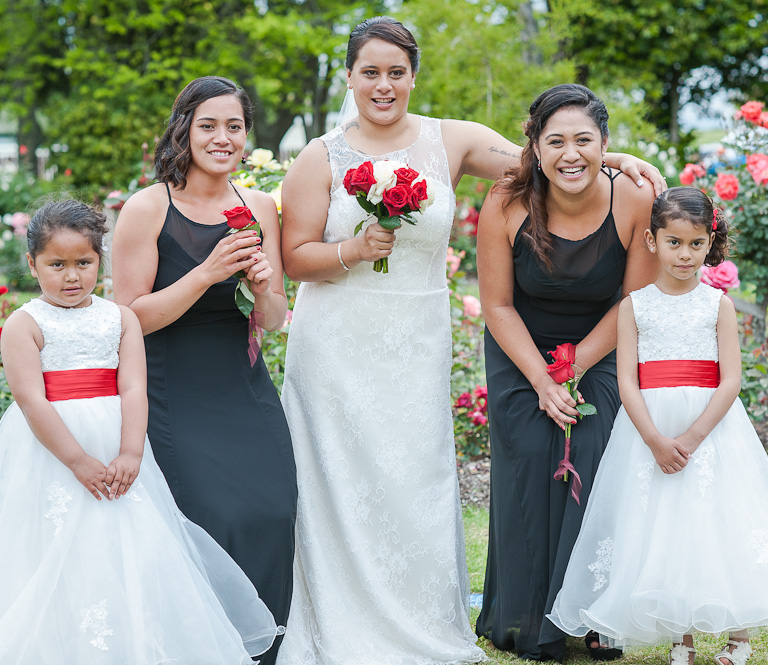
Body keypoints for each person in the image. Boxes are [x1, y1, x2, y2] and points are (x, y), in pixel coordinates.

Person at [277, 17, 665, 665]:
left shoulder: (447, 139)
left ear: (413, 76)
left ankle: (423, 616)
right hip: (336, 345)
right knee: (338, 480)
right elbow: (294, 256)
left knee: (414, 478)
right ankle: (343, 611)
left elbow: (547, 155)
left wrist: (619, 157)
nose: (383, 84)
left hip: (416, 340)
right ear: (349, 76)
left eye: (396, 72)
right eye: (369, 71)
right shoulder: (321, 155)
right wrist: (353, 248)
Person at [0, 199, 280, 665]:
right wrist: (76, 460)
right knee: (48, 545)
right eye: (57, 265)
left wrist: (131, 452)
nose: (71, 276)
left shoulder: (121, 319)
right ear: (32, 264)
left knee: (125, 541)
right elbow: (31, 401)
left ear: (100, 261)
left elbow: (134, 387)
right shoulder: (24, 324)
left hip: (116, 443)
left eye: (84, 263)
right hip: (50, 450)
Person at [546, 187, 768, 665]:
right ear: (652, 240)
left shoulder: (716, 304)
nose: (685, 254)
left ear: (709, 242)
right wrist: (656, 440)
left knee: (723, 523)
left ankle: (738, 638)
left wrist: (694, 437)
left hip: (712, 429)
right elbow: (628, 383)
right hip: (649, 431)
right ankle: (683, 639)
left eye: (696, 243)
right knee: (668, 529)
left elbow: (732, 378)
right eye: (674, 242)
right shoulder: (633, 306)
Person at [111, 76, 296, 665]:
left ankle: (263, 647)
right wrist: (207, 274)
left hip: (243, 385)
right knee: (213, 516)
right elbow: (128, 321)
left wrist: (262, 284)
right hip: (172, 390)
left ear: (247, 135)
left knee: (273, 508)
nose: (222, 138)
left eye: (234, 126)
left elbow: (274, 318)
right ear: (184, 130)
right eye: (208, 125)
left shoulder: (260, 207)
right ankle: (203, 647)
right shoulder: (148, 207)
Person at [475, 83, 660, 661]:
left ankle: (598, 616)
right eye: (555, 141)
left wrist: (573, 369)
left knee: (595, 444)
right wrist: (543, 379)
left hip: (605, 346)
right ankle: (525, 619)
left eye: (584, 139)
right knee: (531, 449)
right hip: (520, 350)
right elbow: (497, 305)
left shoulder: (632, 199)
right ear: (534, 146)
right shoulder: (505, 202)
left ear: (606, 143)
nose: (570, 154)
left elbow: (634, 302)